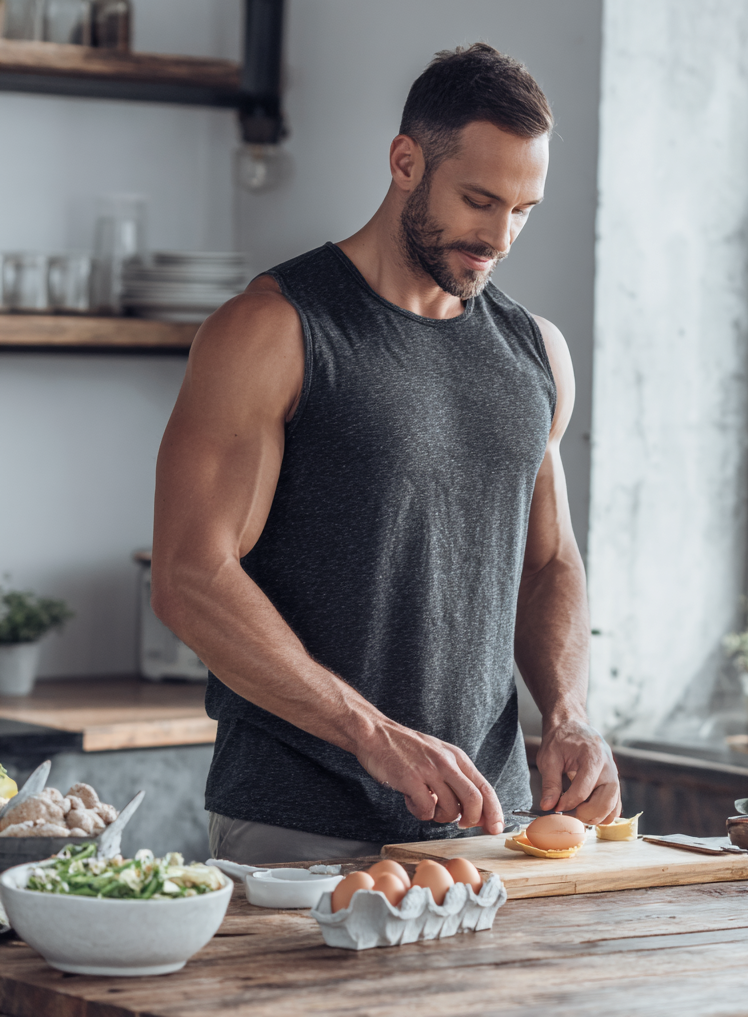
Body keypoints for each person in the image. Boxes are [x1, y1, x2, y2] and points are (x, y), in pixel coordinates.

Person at [152, 43, 620, 864]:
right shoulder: (274, 329)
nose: (499, 237)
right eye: (479, 200)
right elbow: (192, 576)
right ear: (406, 162)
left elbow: (547, 564)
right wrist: (373, 735)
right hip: (303, 823)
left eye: (523, 209)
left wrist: (569, 711)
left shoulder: (535, 354)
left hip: (490, 827)